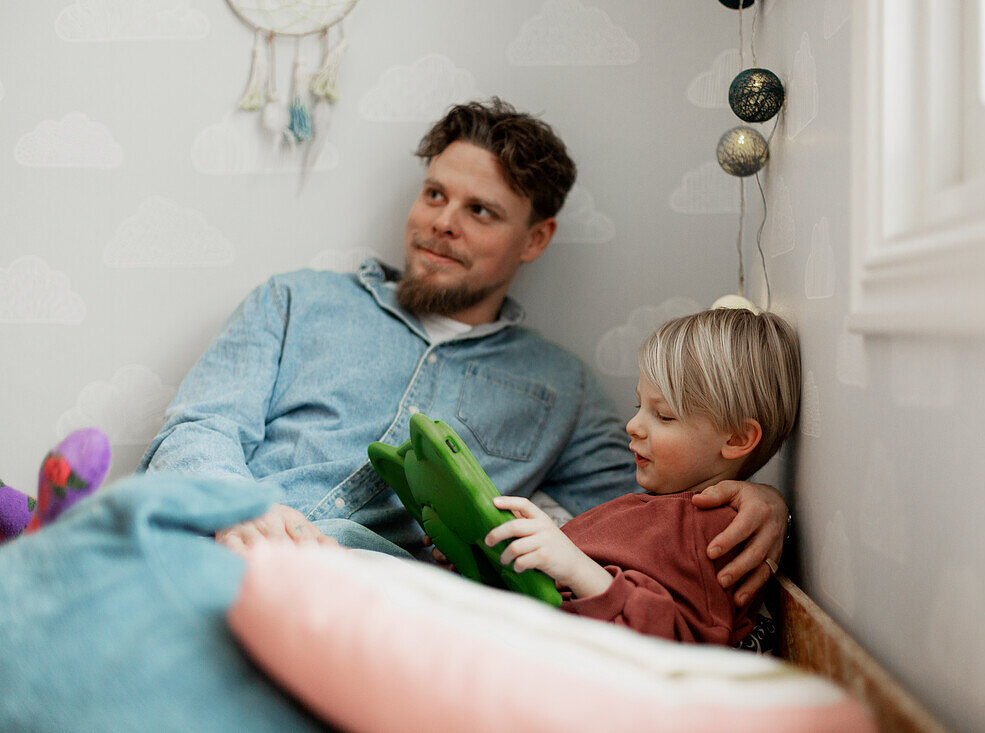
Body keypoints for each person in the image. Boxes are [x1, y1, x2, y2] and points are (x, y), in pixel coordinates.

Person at [138, 97, 789, 606]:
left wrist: (753, 493)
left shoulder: (560, 386)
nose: (442, 222)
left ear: (535, 240)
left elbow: (647, 513)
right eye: (435, 194)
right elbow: (199, 428)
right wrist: (240, 510)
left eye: (481, 211)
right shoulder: (295, 300)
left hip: (371, 606)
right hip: (217, 548)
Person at [484, 307, 800, 644]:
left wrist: (576, 568)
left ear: (736, 439)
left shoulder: (711, 533)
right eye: (639, 407)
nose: (632, 426)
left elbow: (675, 646)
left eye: (663, 416)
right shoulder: (654, 509)